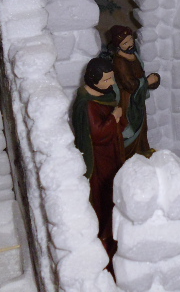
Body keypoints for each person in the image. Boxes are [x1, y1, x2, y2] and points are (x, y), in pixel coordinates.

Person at [71, 57, 124, 261]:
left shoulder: (104, 95)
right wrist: (114, 117)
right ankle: (105, 235)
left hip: (111, 152)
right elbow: (97, 134)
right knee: (104, 193)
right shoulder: (87, 104)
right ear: (93, 80)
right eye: (107, 80)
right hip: (100, 158)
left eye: (112, 78)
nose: (112, 83)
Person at [109, 25, 160, 159]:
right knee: (131, 125)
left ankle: (142, 149)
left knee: (142, 125)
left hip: (138, 97)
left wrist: (151, 80)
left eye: (130, 39)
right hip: (128, 100)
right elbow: (129, 84)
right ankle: (128, 155)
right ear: (118, 45)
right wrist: (147, 81)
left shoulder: (133, 55)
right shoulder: (119, 61)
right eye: (125, 43)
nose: (130, 44)